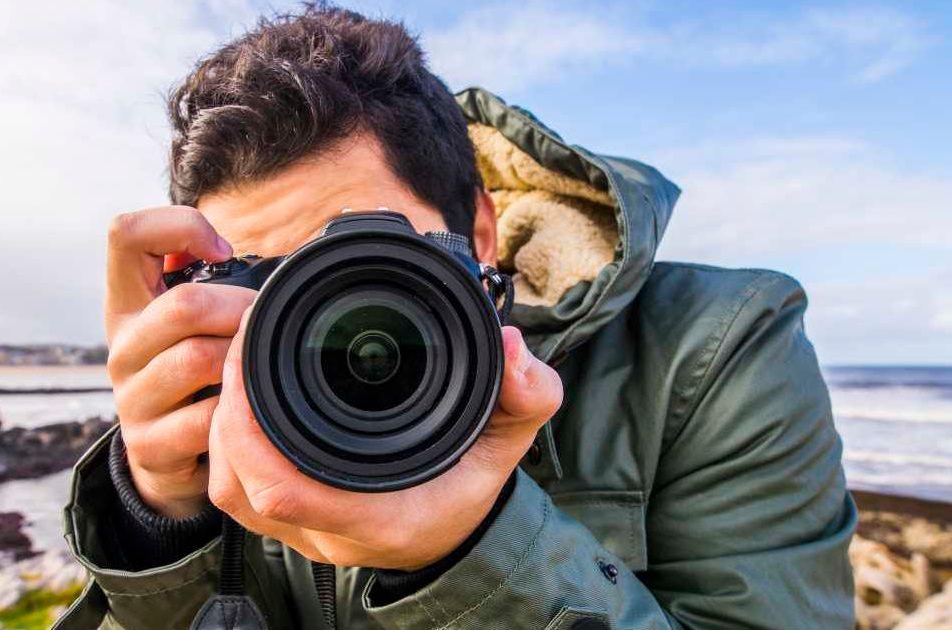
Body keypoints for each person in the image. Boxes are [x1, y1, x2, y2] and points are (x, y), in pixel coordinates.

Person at [58, 5, 855, 629]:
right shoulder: (227, 394)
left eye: (365, 256)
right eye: (267, 282)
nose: (315, 317)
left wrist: (469, 551)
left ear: (480, 229)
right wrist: (161, 516)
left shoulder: (715, 344)